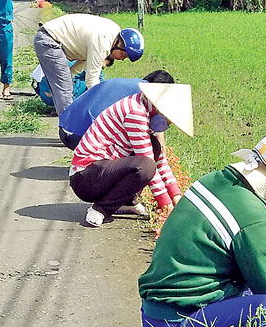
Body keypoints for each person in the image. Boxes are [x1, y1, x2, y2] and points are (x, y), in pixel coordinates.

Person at [138, 131, 266, 327]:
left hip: (157, 318)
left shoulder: (218, 181)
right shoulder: (255, 219)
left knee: (249, 294)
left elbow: (228, 237)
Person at [69, 82, 193, 227]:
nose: (167, 125)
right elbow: (148, 162)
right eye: (168, 120)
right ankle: (100, 209)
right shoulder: (136, 113)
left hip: (102, 171)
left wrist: (177, 198)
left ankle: (126, 202)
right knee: (145, 166)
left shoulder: (145, 109)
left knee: (155, 147)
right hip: (85, 176)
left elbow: (160, 162)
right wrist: (167, 207)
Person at [33, 14, 144, 116]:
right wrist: (104, 108)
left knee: (66, 86)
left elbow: (82, 62)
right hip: (49, 41)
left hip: (49, 39)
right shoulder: (104, 41)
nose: (122, 59)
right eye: (124, 55)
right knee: (65, 89)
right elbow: (92, 81)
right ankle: (68, 129)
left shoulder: (112, 34)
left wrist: (69, 76)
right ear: (120, 44)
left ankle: (69, 123)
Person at [58, 69, 175, 150]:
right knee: (134, 143)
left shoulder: (129, 85)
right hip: (80, 138)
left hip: (66, 129)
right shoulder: (142, 96)